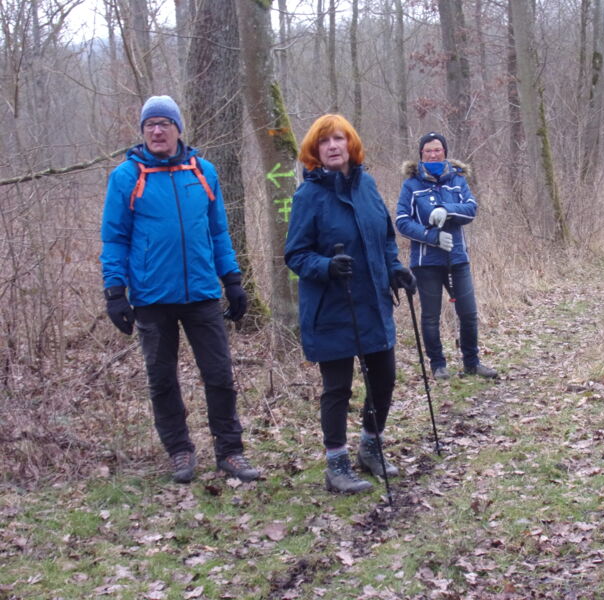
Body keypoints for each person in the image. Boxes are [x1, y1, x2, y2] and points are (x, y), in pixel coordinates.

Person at [100, 95, 260, 484]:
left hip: (203, 293)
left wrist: (233, 281)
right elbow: (115, 238)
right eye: (150, 125)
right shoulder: (126, 176)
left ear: (177, 130)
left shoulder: (203, 172)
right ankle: (180, 451)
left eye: (164, 124)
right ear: (143, 132)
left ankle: (230, 451)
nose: (157, 131)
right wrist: (114, 292)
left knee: (220, 373)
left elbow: (219, 231)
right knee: (162, 378)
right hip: (152, 297)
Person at [284, 114, 416, 494]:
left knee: (384, 378)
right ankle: (336, 465)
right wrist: (325, 266)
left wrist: (394, 268)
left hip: (372, 301)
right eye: (324, 142)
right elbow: (295, 254)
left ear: (350, 144)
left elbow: (385, 237)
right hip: (331, 307)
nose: (333, 147)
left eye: (339, 139)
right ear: (315, 151)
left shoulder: (367, 185)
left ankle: (370, 448)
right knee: (337, 388)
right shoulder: (308, 196)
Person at [395, 132, 497, 381]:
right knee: (430, 316)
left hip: (457, 257)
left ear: (445, 152)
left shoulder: (457, 180)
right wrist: (431, 236)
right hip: (426, 262)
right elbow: (402, 222)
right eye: (428, 150)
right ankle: (438, 365)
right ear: (421, 154)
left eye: (438, 149)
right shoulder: (411, 184)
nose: (433, 154)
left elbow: (471, 209)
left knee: (469, 313)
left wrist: (447, 210)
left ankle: (472, 363)